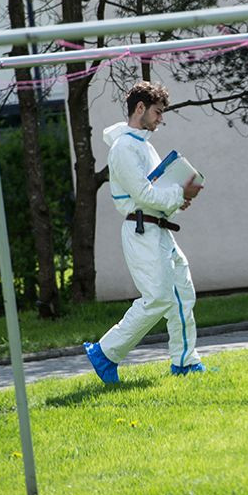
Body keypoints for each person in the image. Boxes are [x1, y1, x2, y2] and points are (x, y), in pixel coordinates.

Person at [84, 81, 206, 383]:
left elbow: (157, 193)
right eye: (157, 112)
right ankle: (105, 352)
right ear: (140, 108)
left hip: (158, 228)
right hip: (141, 231)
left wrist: (180, 201)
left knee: (182, 294)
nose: (160, 119)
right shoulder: (124, 147)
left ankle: (185, 362)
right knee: (158, 298)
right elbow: (143, 195)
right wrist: (180, 194)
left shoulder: (143, 145)